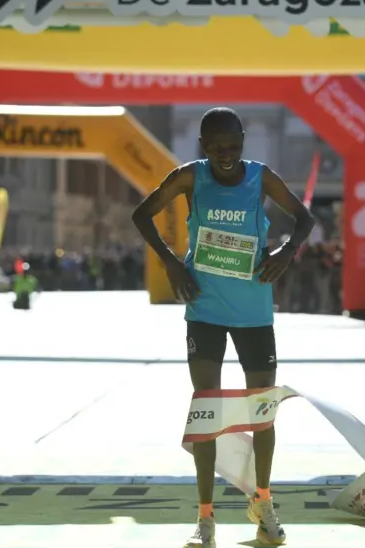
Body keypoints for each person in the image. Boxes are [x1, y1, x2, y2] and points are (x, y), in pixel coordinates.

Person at [132, 107, 314, 548]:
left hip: (254, 310)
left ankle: (264, 505)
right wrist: (174, 265)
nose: (226, 156)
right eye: (216, 149)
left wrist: (286, 252)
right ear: (202, 147)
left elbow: (304, 218)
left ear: (243, 140)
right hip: (205, 307)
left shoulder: (261, 177)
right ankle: (205, 518)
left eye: (233, 146)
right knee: (207, 409)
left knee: (262, 413)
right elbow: (142, 214)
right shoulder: (190, 177)